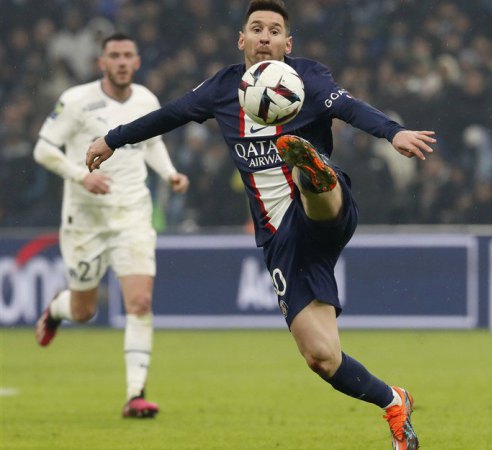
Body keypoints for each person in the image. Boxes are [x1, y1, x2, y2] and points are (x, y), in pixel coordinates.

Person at [86, 1, 434, 447]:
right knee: (322, 357)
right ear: (242, 40)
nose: (265, 37)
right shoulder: (221, 89)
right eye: (256, 28)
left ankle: (311, 170)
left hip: (324, 211)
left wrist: (392, 131)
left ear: (288, 43)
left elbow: (350, 108)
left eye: (274, 30)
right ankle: (393, 401)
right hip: (280, 240)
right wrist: (112, 139)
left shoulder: (309, 77)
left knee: (311, 183)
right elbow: (169, 115)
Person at [34, 32, 190, 418]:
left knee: (139, 302)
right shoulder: (76, 100)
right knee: (83, 311)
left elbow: (152, 143)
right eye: (114, 56)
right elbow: (43, 149)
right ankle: (56, 310)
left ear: (137, 62)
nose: (121, 62)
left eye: (127, 56)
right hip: (85, 218)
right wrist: (81, 175)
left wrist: (169, 173)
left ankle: (136, 394)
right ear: (101, 63)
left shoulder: (146, 100)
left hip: (132, 213)